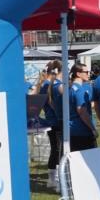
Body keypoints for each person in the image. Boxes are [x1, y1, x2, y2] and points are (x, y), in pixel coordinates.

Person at [37, 60, 64, 189]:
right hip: (56, 121)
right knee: (58, 151)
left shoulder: (45, 85)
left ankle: (52, 179)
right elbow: (52, 104)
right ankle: (56, 180)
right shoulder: (51, 85)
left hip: (51, 121)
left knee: (56, 150)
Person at [65, 63, 97, 151]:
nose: (89, 74)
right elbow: (82, 111)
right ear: (78, 74)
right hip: (82, 131)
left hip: (72, 130)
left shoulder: (69, 88)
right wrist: (93, 128)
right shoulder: (79, 90)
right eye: (86, 72)